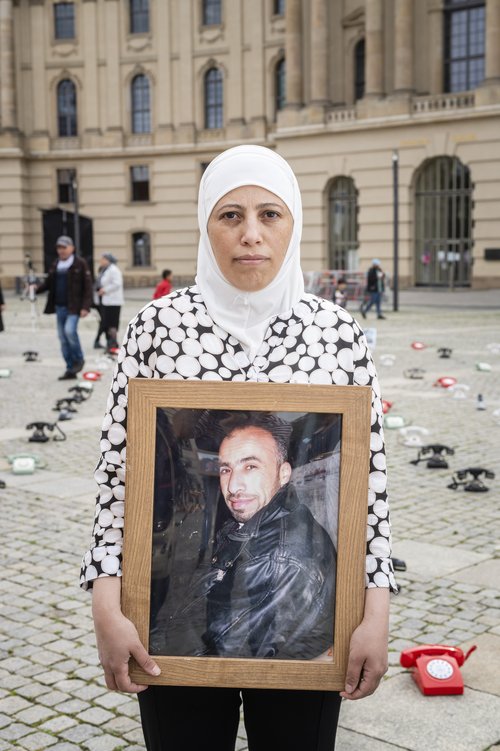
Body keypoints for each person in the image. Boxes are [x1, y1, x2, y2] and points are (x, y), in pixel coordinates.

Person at [82, 145, 396, 751]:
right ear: (206, 224)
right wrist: (107, 605)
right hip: (174, 617)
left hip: (306, 633)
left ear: (293, 224)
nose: (250, 234)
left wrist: (373, 611)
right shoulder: (159, 327)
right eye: (230, 215)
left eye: (269, 215)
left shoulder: (337, 335)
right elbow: (117, 475)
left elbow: (371, 485)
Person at [160, 418, 336, 660]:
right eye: (225, 469)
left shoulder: (274, 560)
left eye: (250, 467)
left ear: (284, 473)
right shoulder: (273, 518)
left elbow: (213, 658)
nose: (233, 486)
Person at [36, 235, 92, 380]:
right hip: (59, 307)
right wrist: (35, 288)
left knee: (69, 331)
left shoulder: (80, 264)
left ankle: (79, 360)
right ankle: (70, 368)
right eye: (59, 248)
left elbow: (88, 287)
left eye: (64, 247)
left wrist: (86, 307)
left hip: (74, 307)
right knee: (62, 338)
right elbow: (48, 284)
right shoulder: (56, 264)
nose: (61, 251)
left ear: (72, 248)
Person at [96, 253, 124, 351]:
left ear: (108, 260)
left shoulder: (113, 270)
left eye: (103, 259)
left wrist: (105, 290)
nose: (101, 261)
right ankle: (111, 344)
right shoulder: (107, 270)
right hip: (107, 301)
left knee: (112, 324)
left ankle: (113, 344)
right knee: (107, 323)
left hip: (114, 302)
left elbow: (117, 284)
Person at [92, 260, 107, 349]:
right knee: (103, 322)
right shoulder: (100, 279)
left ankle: (102, 340)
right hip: (98, 304)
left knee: (104, 322)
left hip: (99, 303)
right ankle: (97, 341)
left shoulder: (99, 278)